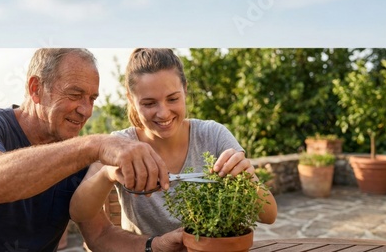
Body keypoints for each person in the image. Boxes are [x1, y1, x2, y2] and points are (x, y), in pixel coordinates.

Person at [0, 48, 184, 252]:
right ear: (36, 89)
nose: (86, 110)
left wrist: (156, 246)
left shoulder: (76, 155)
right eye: (74, 94)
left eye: (92, 98)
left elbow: (101, 236)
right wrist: (97, 144)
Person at [70, 48, 277, 240]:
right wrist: (108, 174)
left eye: (172, 99)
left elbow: (269, 216)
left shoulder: (213, 135)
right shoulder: (119, 143)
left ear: (185, 90)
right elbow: (78, 212)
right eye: (149, 103)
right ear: (131, 100)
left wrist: (247, 179)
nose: (163, 113)